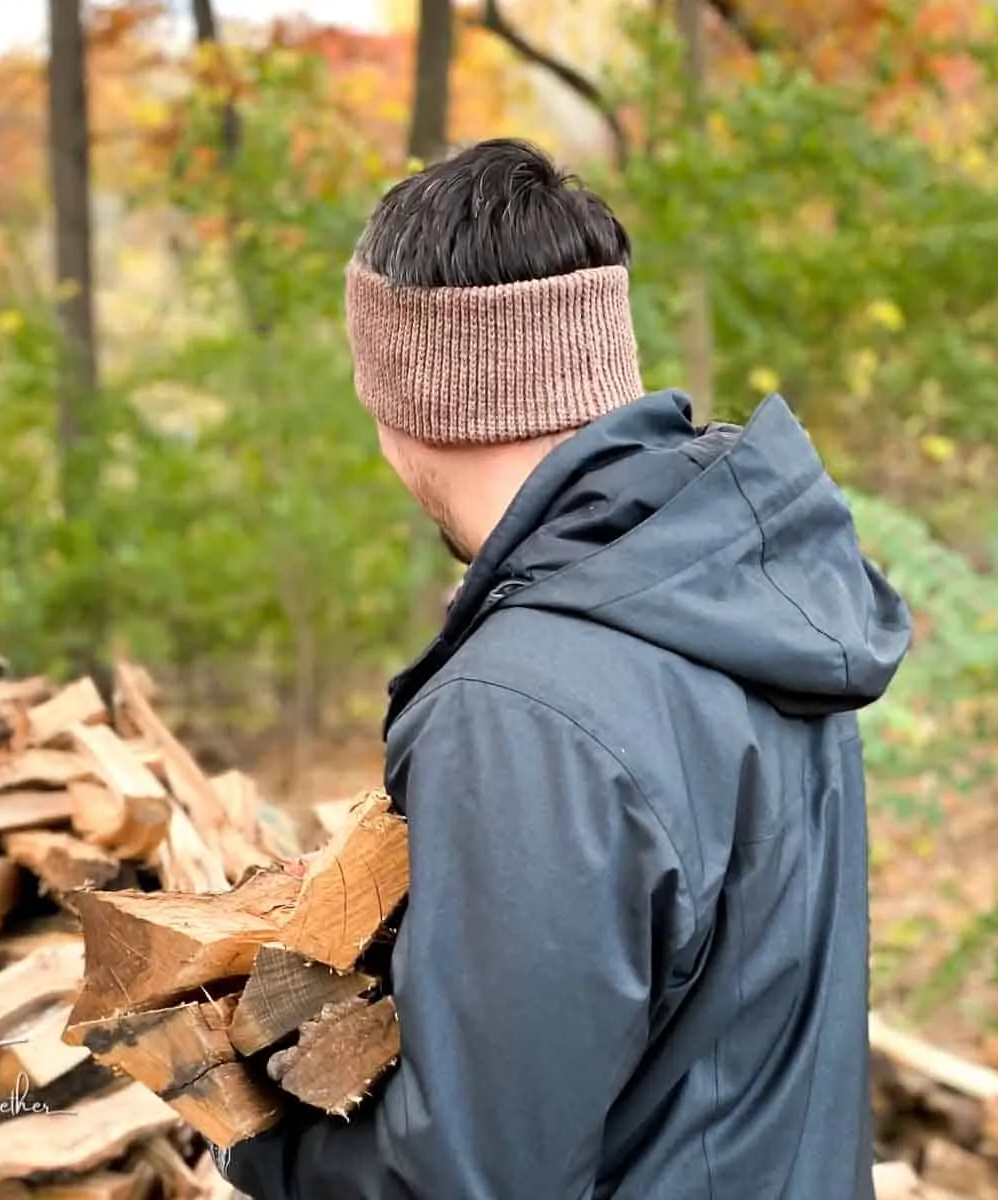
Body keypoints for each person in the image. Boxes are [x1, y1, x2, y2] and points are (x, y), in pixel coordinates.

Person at [213, 137, 912, 1200]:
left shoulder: (520, 707)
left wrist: (255, 1121)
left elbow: (478, 1179)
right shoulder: (746, 592)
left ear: (409, 402)